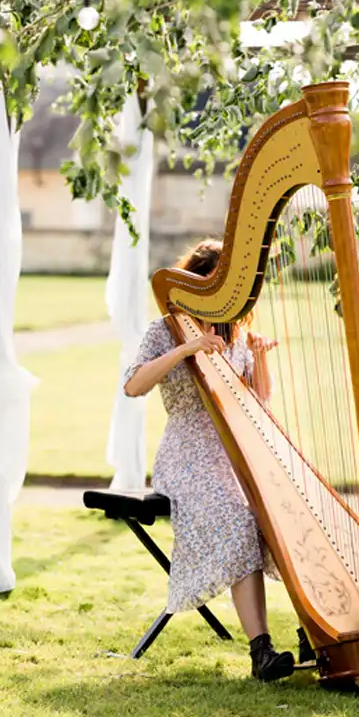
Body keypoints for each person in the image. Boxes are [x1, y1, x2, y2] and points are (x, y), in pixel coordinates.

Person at [121, 238, 292, 682]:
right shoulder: (165, 330)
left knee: (277, 518)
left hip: (233, 457)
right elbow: (133, 386)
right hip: (187, 457)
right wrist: (184, 351)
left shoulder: (234, 331)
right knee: (238, 520)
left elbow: (259, 401)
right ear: (199, 286)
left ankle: (315, 632)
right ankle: (262, 651)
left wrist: (258, 358)